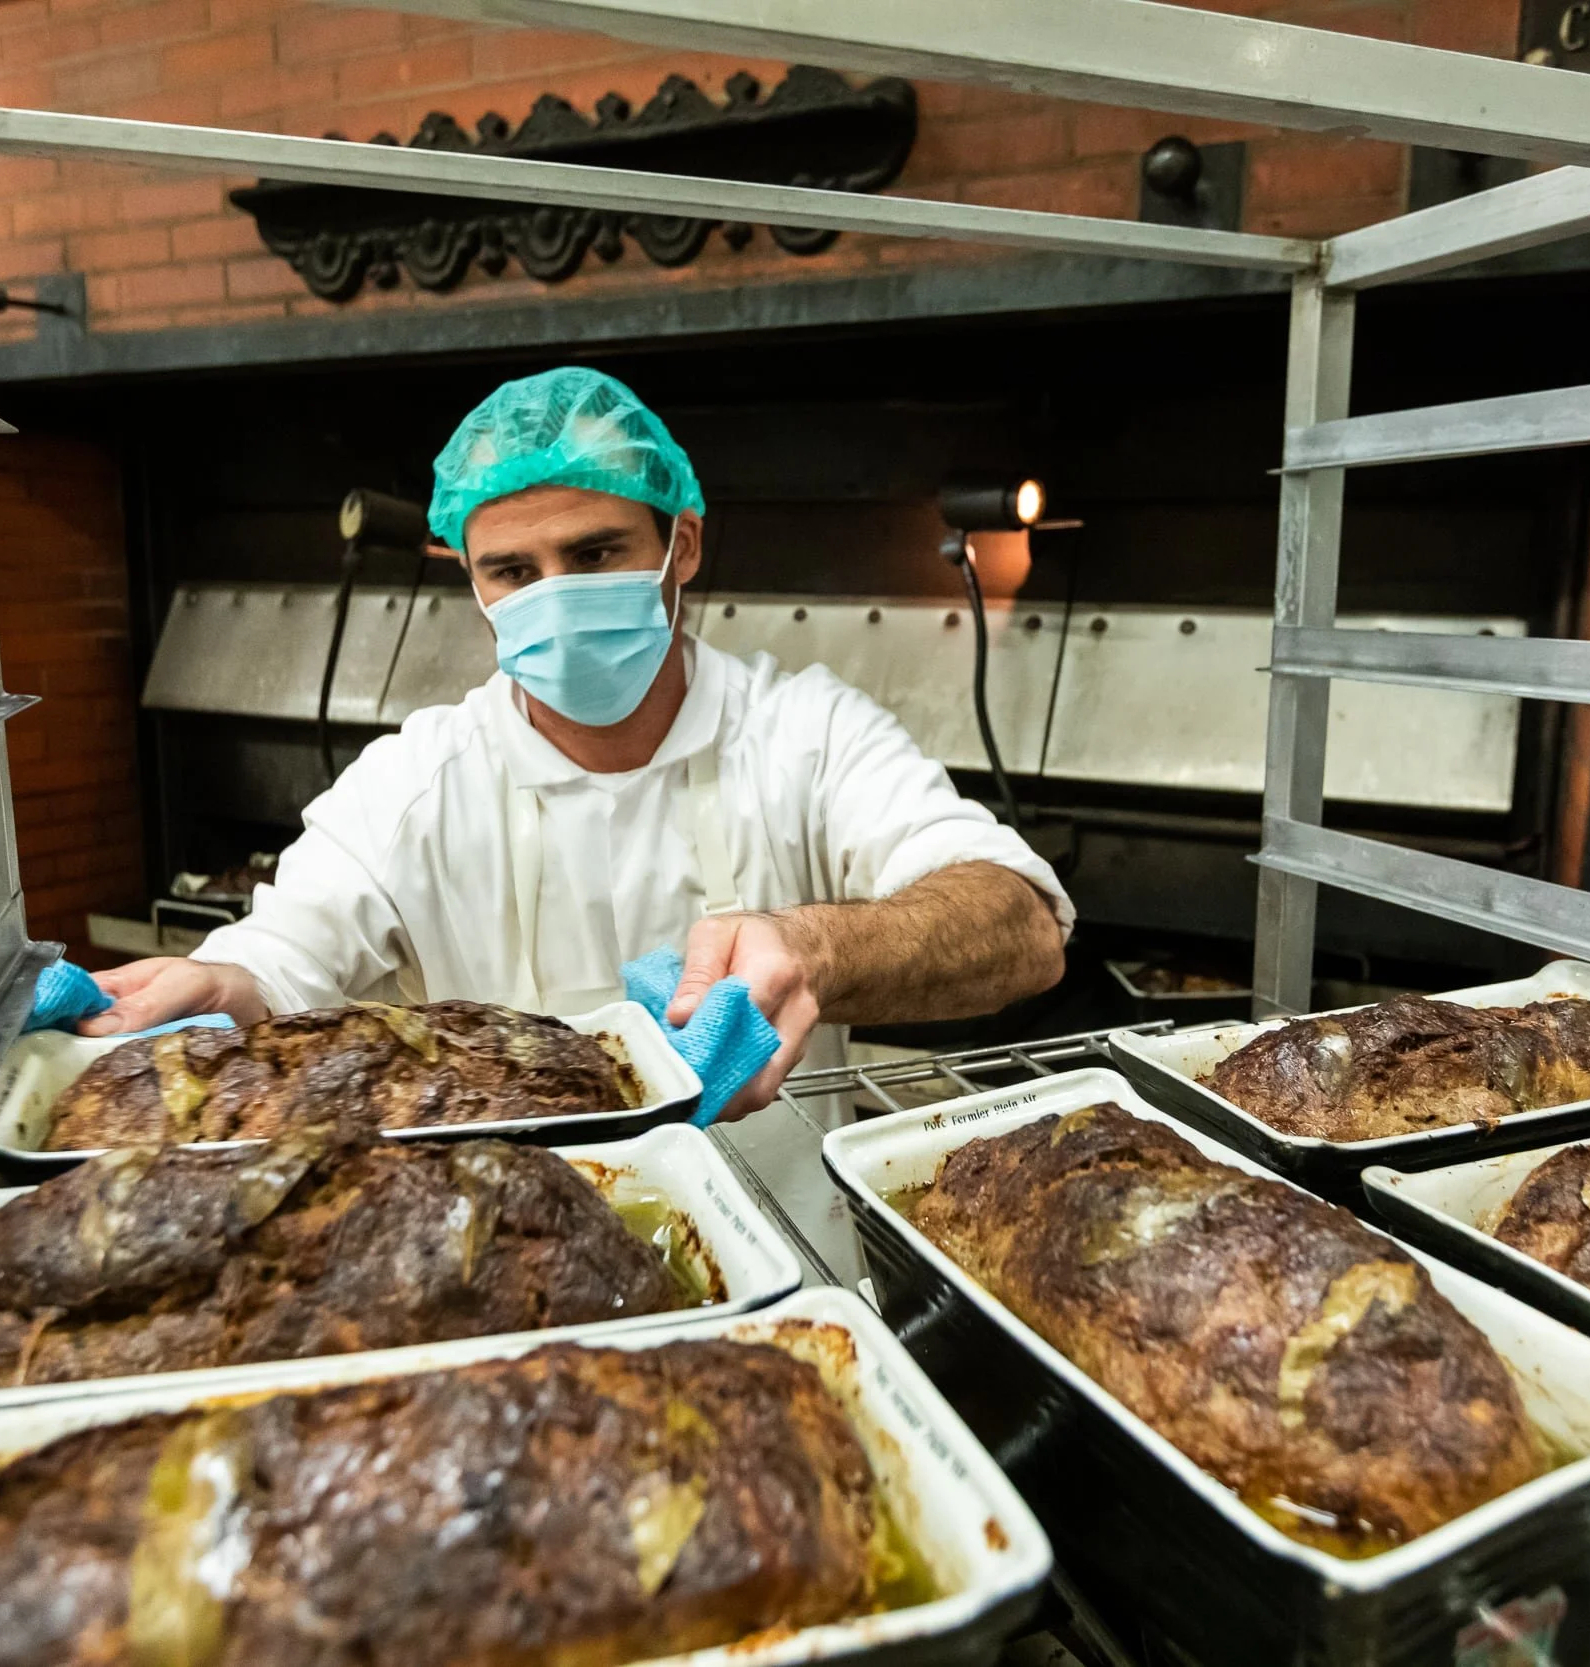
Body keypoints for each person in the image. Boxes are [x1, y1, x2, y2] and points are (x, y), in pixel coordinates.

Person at [82, 368, 1069, 1261]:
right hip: (497, 1278)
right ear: (470, 579)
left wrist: (817, 944)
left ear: (680, 543)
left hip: (785, 1271)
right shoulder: (419, 781)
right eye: (512, 570)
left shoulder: (801, 732)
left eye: (595, 551)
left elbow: (1020, 923)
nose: (555, 595)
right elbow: (286, 954)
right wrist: (218, 978)